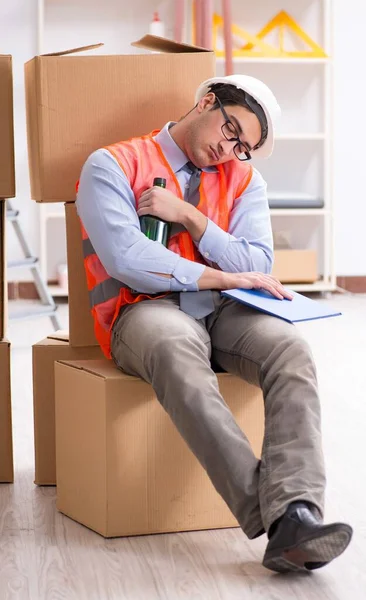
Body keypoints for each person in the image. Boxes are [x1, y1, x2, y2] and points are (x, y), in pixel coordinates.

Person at [76, 75, 352, 573]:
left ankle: (300, 508)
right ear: (207, 102)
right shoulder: (112, 164)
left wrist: (191, 217)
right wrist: (221, 273)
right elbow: (127, 257)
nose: (228, 151)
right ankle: (278, 519)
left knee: (290, 348)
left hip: (225, 309)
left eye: (242, 147)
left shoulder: (245, 180)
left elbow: (259, 261)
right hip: (143, 307)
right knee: (175, 346)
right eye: (230, 131)